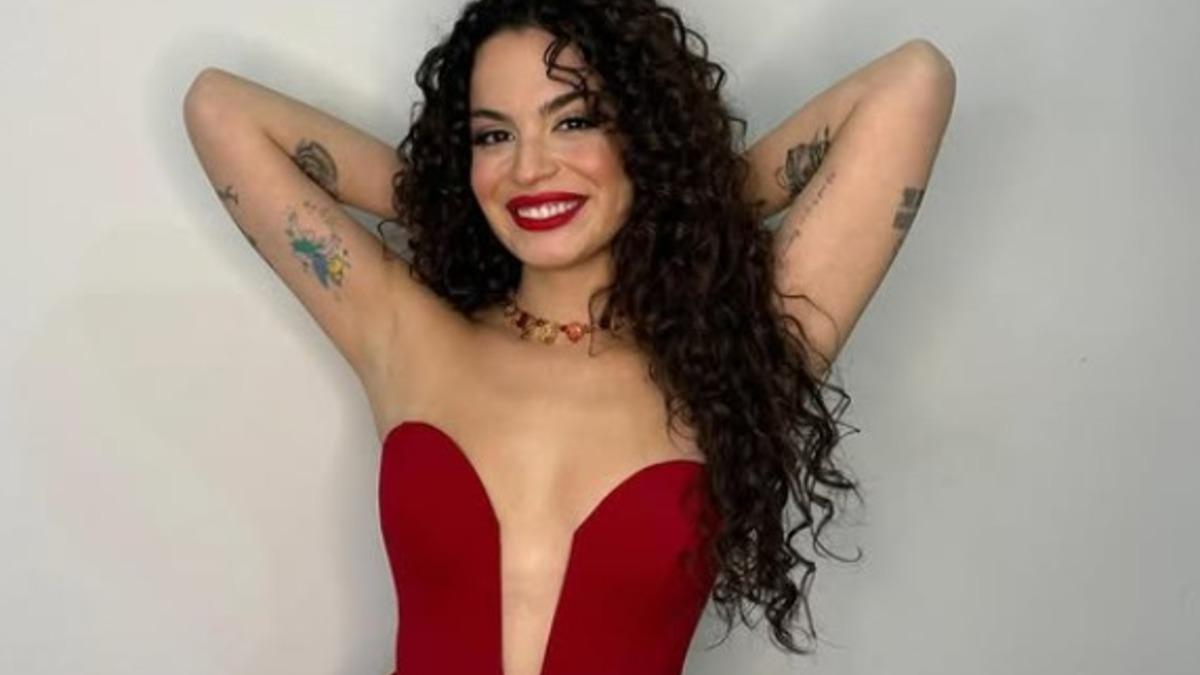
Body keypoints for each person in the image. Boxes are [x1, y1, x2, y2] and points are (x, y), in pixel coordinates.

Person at [183, 0, 956, 672]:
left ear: (647, 137)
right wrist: (457, 200)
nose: (529, 167)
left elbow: (912, 85)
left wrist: (688, 199)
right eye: (493, 137)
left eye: (574, 122)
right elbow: (219, 110)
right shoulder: (408, 334)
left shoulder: (733, 359)